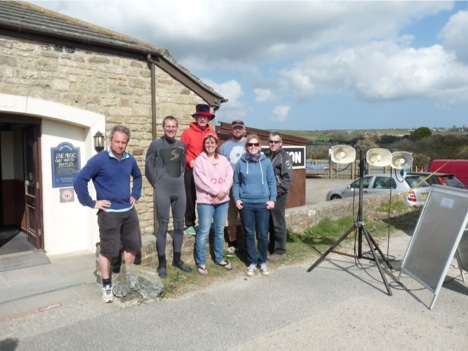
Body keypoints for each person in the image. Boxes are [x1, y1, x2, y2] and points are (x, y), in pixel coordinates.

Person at [74, 125, 142, 303]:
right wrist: (91, 202)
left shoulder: (130, 159)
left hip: (128, 212)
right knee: (108, 251)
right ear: (110, 141)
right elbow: (79, 180)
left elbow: (138, 176)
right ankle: (107, 285)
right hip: (109, 214)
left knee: (132, 246)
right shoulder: (99, 160)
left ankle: (127, 279)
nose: (120, 145)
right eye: (117, 141)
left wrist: (135, 194)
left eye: (123, 142)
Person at [145, 116, 192, 278]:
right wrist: (157, 185)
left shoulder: (181, 145)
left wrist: (176, 182)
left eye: (173, 126)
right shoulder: (156, 145)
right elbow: (148, 169)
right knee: (163, 227)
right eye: (168, 126)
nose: (171, 129)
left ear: (177, 128)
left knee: (180, 226)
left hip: (179, 190)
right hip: (163, 190)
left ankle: (177, 260)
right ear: (163, 127)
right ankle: (162, 263)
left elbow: (181, 168)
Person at [232, 134, 276, 277]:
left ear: (259, 146)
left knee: (263, 234)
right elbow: (236, 183)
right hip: (247, 204)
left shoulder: (266, 162)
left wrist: (272, 199)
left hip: (263, 203)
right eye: (250, 144)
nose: (253, 147)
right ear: (246, 146)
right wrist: (237, 198)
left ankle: (262, 261)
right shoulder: (240, 163)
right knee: (249, 234)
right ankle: (252, 262)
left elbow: (272, 182)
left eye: (256, 144)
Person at [193, 134, 233, 275]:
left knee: (219, 230)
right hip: (206, 201)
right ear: (204, 145)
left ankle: (219, 258)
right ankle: (201, 262)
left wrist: (222, 193)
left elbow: (229, 176)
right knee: (204, 232)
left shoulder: (223, 160)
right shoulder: (199, 160)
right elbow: (201, 181)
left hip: (222, 201)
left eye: (212, 143)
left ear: (217, 144)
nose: (210, 145)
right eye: (207, 143)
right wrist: (217, 192)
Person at [181, 104, 218, 236]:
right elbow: (182, 151)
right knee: (190, 197)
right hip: (191, 170)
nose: (202, 119)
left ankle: (204, 223)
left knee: (205, 197)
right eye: (200, 117)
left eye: (205, 117)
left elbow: (215, 150)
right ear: (196, 118)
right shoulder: (187, 133)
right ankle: (189, 224)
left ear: (208, 119)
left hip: (207, 171)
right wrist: (190, 161)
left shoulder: (212, 133)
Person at [219, 120, 246, 257]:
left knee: (247, 216)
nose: (237, 130)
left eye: (240, 128)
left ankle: (247, 244)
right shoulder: (224, 147)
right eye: (235, 128)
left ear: (244, 130)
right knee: (231, 218)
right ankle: (233, 245)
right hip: (230, 186)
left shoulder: (249, 143)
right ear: (231, 130)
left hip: (246, 186)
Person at [265, 132, 293, 262]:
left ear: (281, 143)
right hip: (267, 195)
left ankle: (280, 252)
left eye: (276, 142)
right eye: (271, 141)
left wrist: (274, 193)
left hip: (278, 195)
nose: (273, 144)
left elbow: (287, 180)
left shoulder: (284, 157)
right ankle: (272, 248)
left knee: (278, 223)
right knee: (270, 223)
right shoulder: (267, 155)